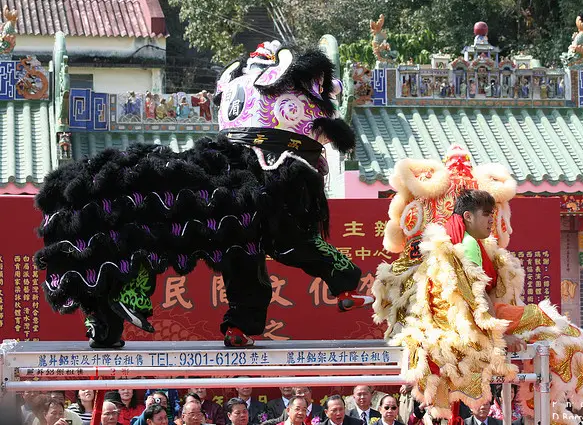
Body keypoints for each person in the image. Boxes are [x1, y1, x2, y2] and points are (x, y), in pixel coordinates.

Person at [34, 40, 372, 350]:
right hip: (267, 169)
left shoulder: (235, 87)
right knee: (279, 239)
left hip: (227, 167)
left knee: (220, 243)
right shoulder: (284, 98)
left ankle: (120, 319)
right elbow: (292, 240)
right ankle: (339, 283)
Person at [372, 146, 583, 424]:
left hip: (481, 320)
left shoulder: (472, 246)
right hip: (469, 328)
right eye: (486, 214)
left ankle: (571, 389)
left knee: (549, 329)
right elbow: (471, 303)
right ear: (467, 217)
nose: (492, 220)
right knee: (546, 324)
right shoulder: (465, 248)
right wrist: (498, 338)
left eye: (492, 213)